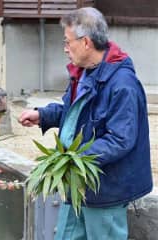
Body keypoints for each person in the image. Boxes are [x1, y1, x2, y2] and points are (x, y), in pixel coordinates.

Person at [19, 7, 152, 240]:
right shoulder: (84, 72)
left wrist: (74, 158)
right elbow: (73, 113)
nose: (65, 48)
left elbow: (120, 139)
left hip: (106, 189)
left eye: (68, 42)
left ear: (86, 42)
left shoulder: (123, 84)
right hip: (78, 184)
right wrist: (44, 116)